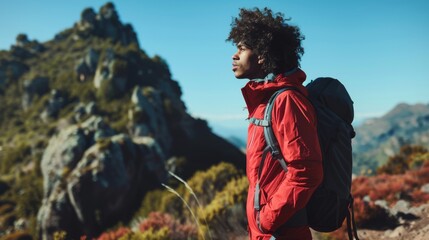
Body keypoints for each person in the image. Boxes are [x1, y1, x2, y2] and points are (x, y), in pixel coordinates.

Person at [227, 7, 323, 240]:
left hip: (282, 232)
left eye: (241, 48)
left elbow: (306, 171)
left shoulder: (286, 101)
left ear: (261, 54)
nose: (234, 55)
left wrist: (267, 219)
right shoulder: (265, 101)